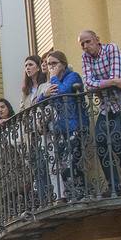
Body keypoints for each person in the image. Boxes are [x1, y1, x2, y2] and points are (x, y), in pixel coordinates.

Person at [78, 29, 121, 196]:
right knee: (100, 140)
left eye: (88, 42)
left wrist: (106, 83)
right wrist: (111, 82)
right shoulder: (85, 58)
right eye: (82, 44)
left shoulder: (112, 49)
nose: (85, 46)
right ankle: (114, 186)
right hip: (107, 108)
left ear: (97, 39)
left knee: (116, 139)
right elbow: (89, 84)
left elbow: (117, 76)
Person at [43, 49, 86, 196]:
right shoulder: (53, 82)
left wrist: (53, 78)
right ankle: (71, 194)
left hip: (75, 126)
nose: (51, 67)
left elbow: (63, 91)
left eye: (54, 63)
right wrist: (44, 94)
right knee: (62, 165)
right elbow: (38, 102)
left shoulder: (73, 76)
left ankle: (79, 194)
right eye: (49, 64)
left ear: (63, 64)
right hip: (61, 130)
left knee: (72, 163)